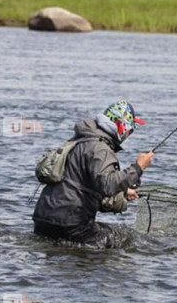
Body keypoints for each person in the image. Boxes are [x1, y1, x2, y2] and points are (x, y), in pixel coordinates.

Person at [33, 100, 155, 247]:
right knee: (123, 239)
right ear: (121, 125)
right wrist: (138, 167)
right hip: (71, 223)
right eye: (131, 129)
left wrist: (123, 192)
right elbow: (108, 185)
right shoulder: (100, 148)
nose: (129, 134)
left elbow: (82, 184)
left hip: (43, 220)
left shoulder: (81, 140)